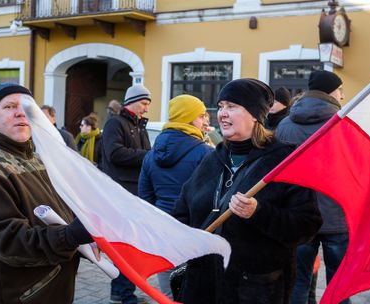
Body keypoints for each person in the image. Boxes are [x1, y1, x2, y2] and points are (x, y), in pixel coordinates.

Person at [172, 78, 322, 304]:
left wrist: (259, 213)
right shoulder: (211, 160)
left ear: (255, 114)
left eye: (231, 106)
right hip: (204, 286)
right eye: (221, 106)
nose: (222, 113)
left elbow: (307, 225)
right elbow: (181, 213)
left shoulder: (283, 161)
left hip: (255, 290)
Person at [0, 83, 94, 304]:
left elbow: (57, 213)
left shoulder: (37, 159)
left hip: (52, 290)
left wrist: (83, 237)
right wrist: (69, 236)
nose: (20, 112)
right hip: (17, 296)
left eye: (27, 107)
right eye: (9, 107)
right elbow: (9, 244)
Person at [275, 70, 350, 304]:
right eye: (339, 90)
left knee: (298, 280)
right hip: (336, 214)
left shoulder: (285, 124)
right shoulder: (344, 123)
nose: (342, 95)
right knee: (339, 283)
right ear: (330, 91)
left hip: (298, 215)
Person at [138, 94, 213, 298]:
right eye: (201, 116)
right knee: (195, 288)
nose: (205, 121)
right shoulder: (205, 153)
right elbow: (211, 197)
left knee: (167, 288)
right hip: (195, 230)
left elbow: (145, 196)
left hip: (163, 229)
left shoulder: (151, 154)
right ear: (189, 118)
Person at [102, 84, 152, 304]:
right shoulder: (115, 122)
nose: (146, 109)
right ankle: (124, 294)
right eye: (144, 103)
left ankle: (122, 290)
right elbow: (115, 153)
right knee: (126, 246)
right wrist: (148, 156)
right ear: (131, 101)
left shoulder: (139, 125)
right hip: (120, 192)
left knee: (131, 245)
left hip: (134, 192)